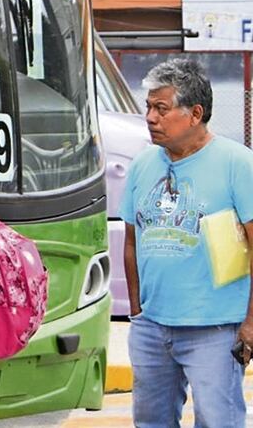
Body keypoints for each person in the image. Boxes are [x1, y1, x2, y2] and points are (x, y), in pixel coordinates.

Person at [121, 58, 253, 428]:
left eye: (161, 109)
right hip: (152, 327)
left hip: (215, 329)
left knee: (217, 421)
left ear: (195, 114)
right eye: (148, 107)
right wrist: (137, 311)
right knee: (150, 421)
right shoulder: (143, 164)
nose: (150, 117)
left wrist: (250, 323)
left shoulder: (237, 164)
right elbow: (132, 241)